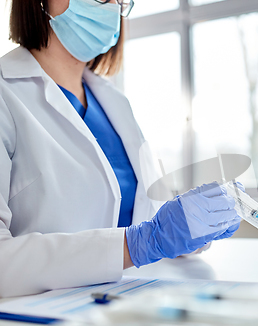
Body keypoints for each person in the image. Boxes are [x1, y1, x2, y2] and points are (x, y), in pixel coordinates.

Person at [0, 0, 242, 298]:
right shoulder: (6, 92)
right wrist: (139, 244)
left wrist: (192, 228)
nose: (112, 7)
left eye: (121, 0)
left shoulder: (115, 103)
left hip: (135, 301)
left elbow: (148, 222)